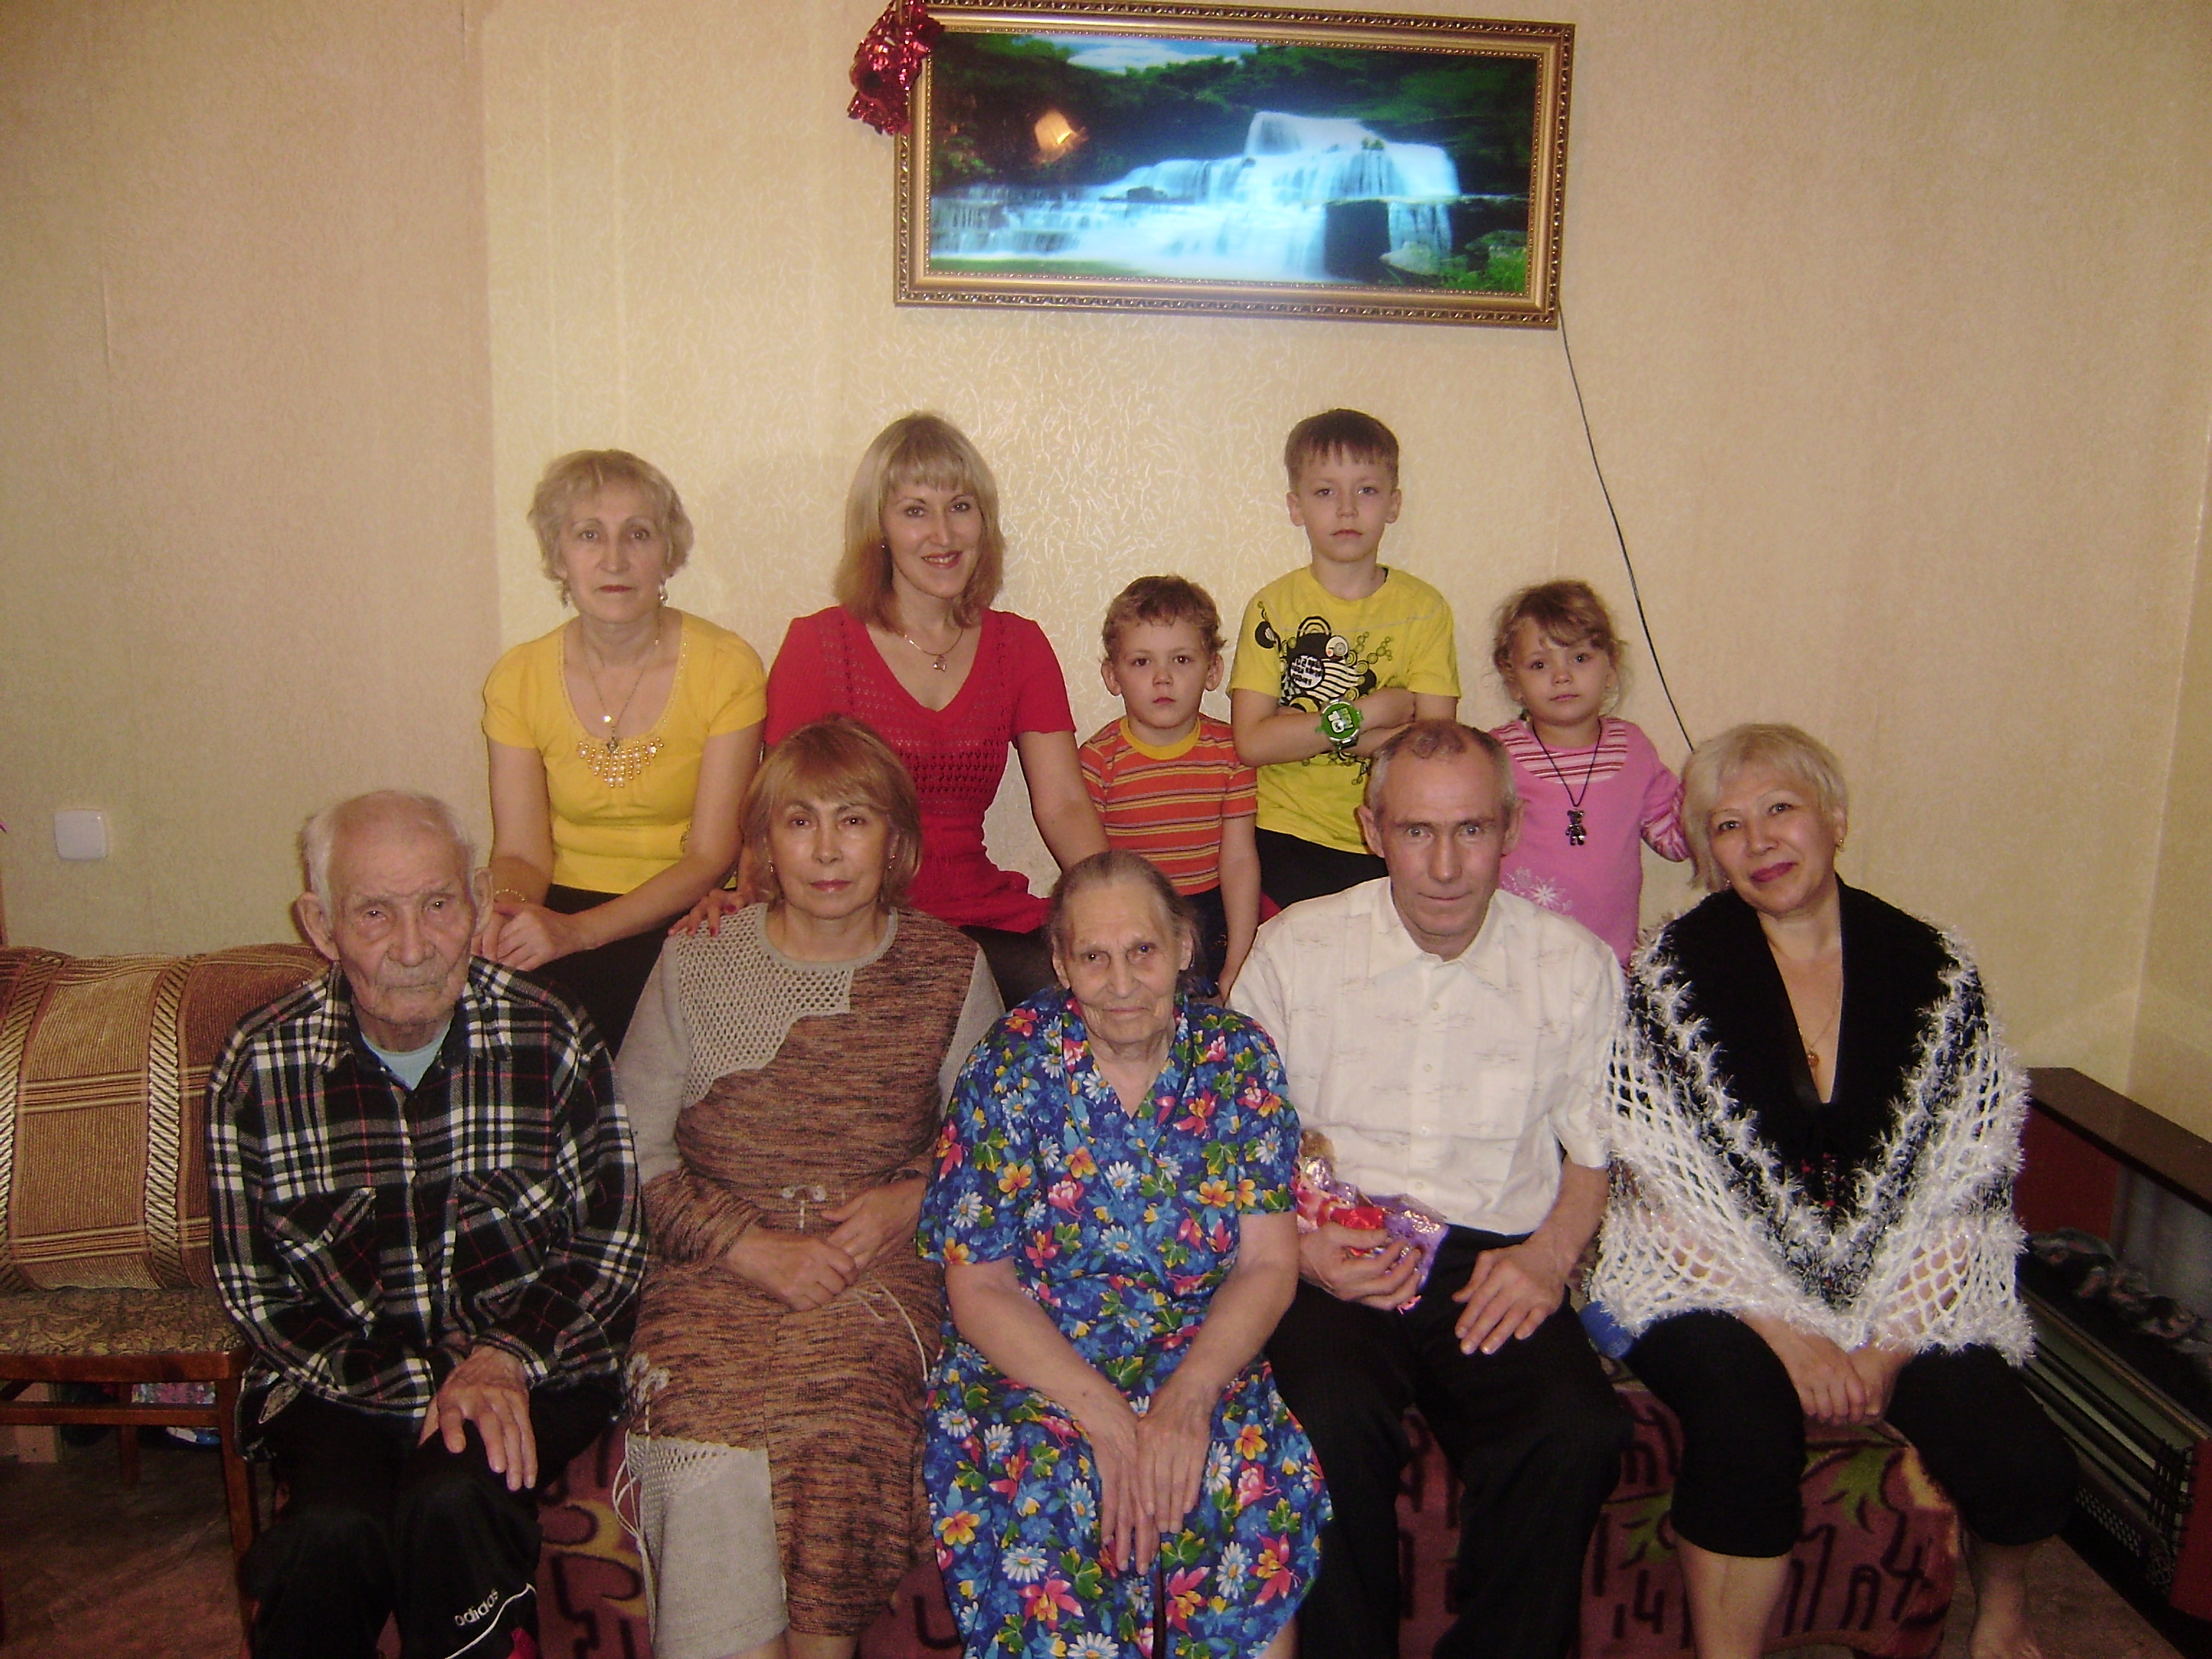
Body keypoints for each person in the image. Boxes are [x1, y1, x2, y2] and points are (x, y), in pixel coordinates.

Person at [1586, 724, 2075, 1659]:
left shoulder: (1933, 970)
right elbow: (1657, 1189)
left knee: (2026, 1464)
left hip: (1903, 1288)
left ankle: (2003, 1606)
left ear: (1836, 820)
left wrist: (1885, 1350)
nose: (1760, 841)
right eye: (1728, 825)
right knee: (1746, 1429)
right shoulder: (1675, 975)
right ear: (1708, 853)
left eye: (1781, 809)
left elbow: (1968, 1187)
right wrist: (1788, 1334)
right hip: (1714, 1285)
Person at [207, 791, 645, 1659]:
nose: (413, 948)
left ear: (478, 902)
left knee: (452, 1497)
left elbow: (611, 1243)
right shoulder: (260, 1064)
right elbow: (257, 1291)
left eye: (439, 905)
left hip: (531, 1367)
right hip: (341, 1382)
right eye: (375, 913)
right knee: (329, 1532)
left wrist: (501, 1361)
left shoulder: (550, 1035)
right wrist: (430, 1388)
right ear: (321, 926)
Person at [1232, 720, 1628, 1659]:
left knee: (1576, 1429)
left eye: (1471, 830)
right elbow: (1232, 1138)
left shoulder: (1573, 966)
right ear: (1373, 830)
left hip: (1493, 1259)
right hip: (1332, 1247)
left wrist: (1548, 1259)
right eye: (1417, 831)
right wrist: (1299, 1252)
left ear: (1510, 828)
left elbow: (1593, 1150)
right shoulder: (1297, 949)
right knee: (1323, 1415)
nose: (1446, 866)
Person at [616, 717, 1001, 1659]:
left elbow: (997, 1149)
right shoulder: (697, 959)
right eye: (800, 822)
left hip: (876, 1270)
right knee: (704, 1435)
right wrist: (746, 1247)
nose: (827, 850)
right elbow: (629, 1148)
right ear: (764, 846)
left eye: (854, 821)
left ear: (896, 843)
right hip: (710, 1269)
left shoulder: (951, 968)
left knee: (841, 1409)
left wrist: (913, 1198)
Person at [918, 851, 1327, 1659]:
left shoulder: (1239, 1059)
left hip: (1199, 1354)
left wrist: (1188, 1398)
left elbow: (1268, 1264)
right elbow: (980, 1285)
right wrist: (1104, 1417)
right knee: (1048, 1494)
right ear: (1061, 963)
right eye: (1094, 957)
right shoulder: (1010, 1064)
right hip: (1038, 1368)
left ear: (1183, 946)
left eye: (1142, 951)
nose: (1121, 983)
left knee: (1240, 1481)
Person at [749, 413, 1105, 1005]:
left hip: (981, 916)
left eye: (960, 507)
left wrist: (1116, 903)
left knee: (1082, 989)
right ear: (879, 529)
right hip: (854, 917)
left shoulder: (1019, 645)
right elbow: (780, 812)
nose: (943, 534)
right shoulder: (820, 644)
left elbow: (1065, 804)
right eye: (915, 511)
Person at [481, 449, 766, 1048]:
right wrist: (508, 913)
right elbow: (522, 852)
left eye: (638, 534)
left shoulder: (726, 666)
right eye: (589, 534)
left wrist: (579, 933)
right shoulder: (518, 677)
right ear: (559, 555)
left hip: (687, 917)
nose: (614, 559)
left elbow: (711, 854)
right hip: (558, 908)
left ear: (668, 553)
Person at [1228, 409, 1460, 911]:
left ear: (1394, 504)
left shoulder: (1425, 610)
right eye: (1325, 492)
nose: (1347, 510)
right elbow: (1252, 742)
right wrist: (1368, 716)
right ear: (1296, 507)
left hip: (1392, 837)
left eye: (1367, 490)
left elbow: (1435, 746)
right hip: (1286, 835)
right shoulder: (1273, 608)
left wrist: (1312, 730)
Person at [1488, 579, 1689, 963]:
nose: (1561, 676)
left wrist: (1714, 794)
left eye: (1580, 658)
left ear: (1611, 669)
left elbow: (1674, 842)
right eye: (1539, 665)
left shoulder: (1633, 748)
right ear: (1514, 684)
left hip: (1610, 961)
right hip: (1518, 957)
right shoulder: (1497, 754)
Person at [1079, 575, 1261, 997]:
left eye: (1181, 659)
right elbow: (1092, 873)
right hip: (1130, 921)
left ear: (1212, 671)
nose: (1163, 678)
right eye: (1142, 662)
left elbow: (1239, 861)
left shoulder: (1232, 753)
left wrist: (1240, 959)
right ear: (1113, 676)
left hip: (1213, 918)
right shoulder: (1097, 762)